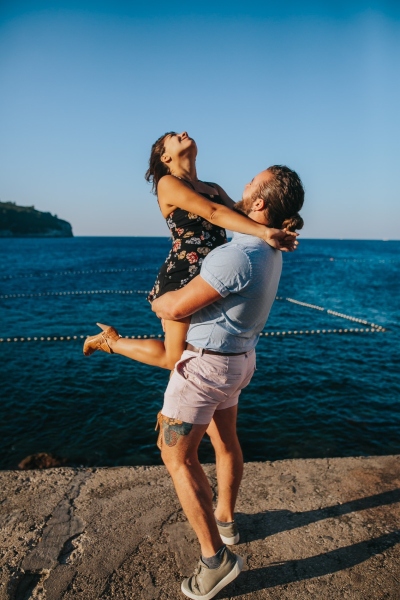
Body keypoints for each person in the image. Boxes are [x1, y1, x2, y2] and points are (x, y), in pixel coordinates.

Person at [151, 165, 305, 600]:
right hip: (238, 362)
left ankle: (215, 560)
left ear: (259, 203)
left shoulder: (238, 255)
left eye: (250, 185)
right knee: (226, 442)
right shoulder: (266, 249)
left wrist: (157, 301)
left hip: (205, 368)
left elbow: (176, 308)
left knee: (176, 456)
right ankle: (226, 521)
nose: (241, 188)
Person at [83, 131, 297, 368]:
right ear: (165, 158)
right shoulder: (169, 183)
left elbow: (241, 216)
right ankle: (111, 342)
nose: (183, 133)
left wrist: (280, 226)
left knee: (197, 352)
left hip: (212, 273)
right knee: (174, 357)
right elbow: (213, 213)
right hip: (182, 274)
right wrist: (265, 233)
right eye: (174, 137)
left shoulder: (213, 187)